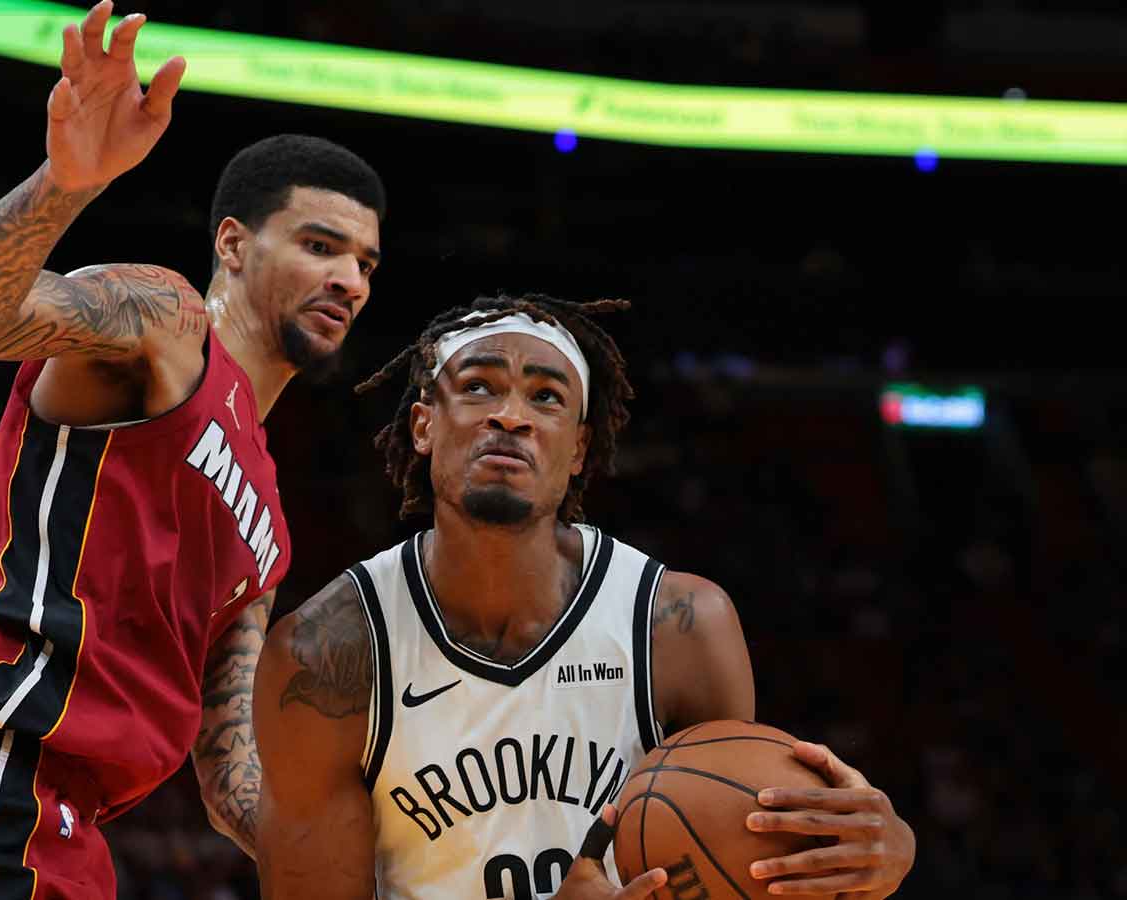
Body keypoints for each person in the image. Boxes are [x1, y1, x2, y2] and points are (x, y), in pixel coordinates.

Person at [0, 2, 385, 897]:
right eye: (321, 246)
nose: (348, 280)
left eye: (366, 263)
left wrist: (396, 863)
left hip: (70, 830)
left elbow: (231, 774)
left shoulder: (269, 526)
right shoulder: (165, 325)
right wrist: (66, 181)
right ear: (233, 245)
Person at [254, 294, 916, 899]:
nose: (510, 416)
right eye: (479, 387)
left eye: (546, 398)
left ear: (579, 448)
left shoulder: (680, 628)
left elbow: (743, 853)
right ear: (424, 426)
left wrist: (874, 856)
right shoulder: (327, 657)